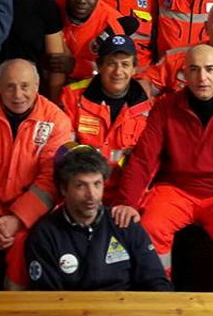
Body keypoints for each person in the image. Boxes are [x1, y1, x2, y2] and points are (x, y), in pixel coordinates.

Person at [115, 44, 213, 293]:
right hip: (176, 191)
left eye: (210, 69)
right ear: (184, 74)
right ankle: (157, 298)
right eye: (195, 70)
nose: (202, 77)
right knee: (150, 228)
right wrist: (127, 202)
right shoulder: (165, 108)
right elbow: (143, 160)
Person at [0, 59, 73, 290]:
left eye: (25, 86)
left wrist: (17, 220)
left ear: (37, 85)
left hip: (29, 217)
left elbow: (51, 180)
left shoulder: (56, 120)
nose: (18, 95)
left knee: (25, 251)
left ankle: (18, 307)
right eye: (10, 86)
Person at [25, 143, 172, 291]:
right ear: (64, 189)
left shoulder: (125, 225)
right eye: (81, 185)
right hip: (72, 306)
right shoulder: (45, 235)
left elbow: (157, 284)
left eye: (97, 184)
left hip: (124, 305)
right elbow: (47, 298)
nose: (91, 195)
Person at [60, 34, 151, 203]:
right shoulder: (72, 97)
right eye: (111, 64)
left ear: (134, 69)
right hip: (82, 190)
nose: (118, 72)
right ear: (100, 65)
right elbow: (63, 150)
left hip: (126, 192)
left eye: (125, 64)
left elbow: (148, 163)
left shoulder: (149, 107)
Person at [59, 0, 138, 82]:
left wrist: (76, 66)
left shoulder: (113, 26)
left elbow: (116, 71)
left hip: (90, 83)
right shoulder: (51, 4)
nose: (82, 0)